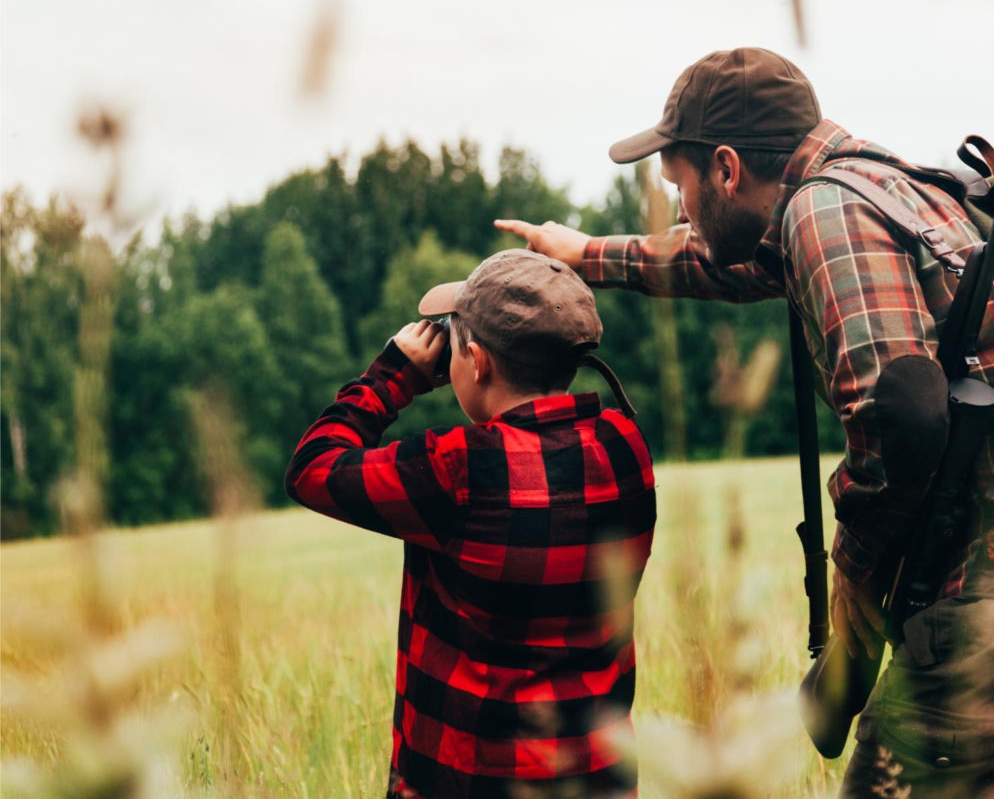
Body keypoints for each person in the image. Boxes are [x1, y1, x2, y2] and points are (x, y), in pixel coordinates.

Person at [495, 47, 994, 797]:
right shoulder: (890, 187)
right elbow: (716, 263)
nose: (684, 209)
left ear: (727, 169)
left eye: (682, 188)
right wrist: (587, 255)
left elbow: (906, 422)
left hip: (972, 602)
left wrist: (852, 578)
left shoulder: (824, 215)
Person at [285, 248, 657, 798]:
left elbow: (312, 468)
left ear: (478, 362)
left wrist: (393, 378)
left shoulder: (458, 470)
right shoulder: (625, 445)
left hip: (470, 781)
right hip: (598, 779)